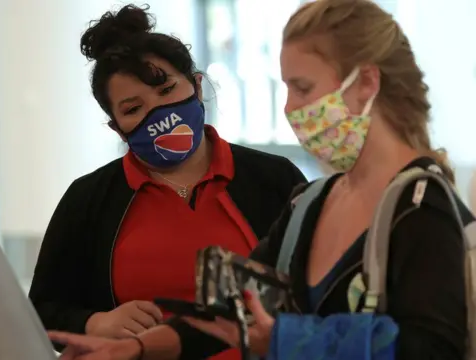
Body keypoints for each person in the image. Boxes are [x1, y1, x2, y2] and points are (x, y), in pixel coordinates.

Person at [47, 0, 472, 359]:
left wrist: (289, 341)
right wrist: (139, 349)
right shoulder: (313, 201)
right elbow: (236, 307)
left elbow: (435, 348)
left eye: (302, 88)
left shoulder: (421, 206)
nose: (289, 108)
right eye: (285, 88)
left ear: (364, 84)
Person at [28, 4, 306, 360]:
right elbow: (40, 310)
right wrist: (94, 322)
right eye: (133, 109)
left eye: (166, 91)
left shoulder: (273, 178)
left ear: (197, 85)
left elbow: (311, 293)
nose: (158, 115)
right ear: (117, 127)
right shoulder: (88, 199)